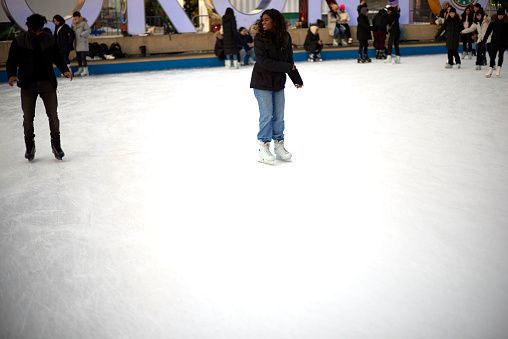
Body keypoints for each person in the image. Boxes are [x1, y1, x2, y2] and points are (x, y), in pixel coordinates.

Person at [6, 14, 72, 161]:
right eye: (35, 30)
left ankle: (56, 145)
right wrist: (11, 75)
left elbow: (58, 56)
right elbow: (11, 61)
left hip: (47, 83)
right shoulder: (19, 41)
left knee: (53, 117)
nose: (38, 33)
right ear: (28, 27)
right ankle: (30, 147)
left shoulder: (49, 38)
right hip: (28, 85)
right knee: (28, 119)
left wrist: (64, 70)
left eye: (40, 30)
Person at [250, 9, 303, 165]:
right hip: (262, 82)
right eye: (262, 19)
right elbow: (264, 62)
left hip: (278, 83)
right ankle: (263, 148)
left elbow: (289, 60)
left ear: (275, 21)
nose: (263, 22)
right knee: (267, 116)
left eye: (266, 19)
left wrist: (296, 78)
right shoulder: (260, 38)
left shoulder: (285, 37)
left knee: (279, 116)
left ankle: (279, 145)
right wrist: (287, 68)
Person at [481, 8, 508, 77]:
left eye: (502, 15)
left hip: (503, 42)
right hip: (494, 41)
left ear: (504, 16)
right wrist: (484, 41)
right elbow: (488, 32)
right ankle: (490, 69)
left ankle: (499, 68)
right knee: (493, 56)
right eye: (499, 15)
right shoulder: (493, 22)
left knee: (500, 55)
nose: (500, 17)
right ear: (497, 15)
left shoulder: (506, 23)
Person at [71, 11, 91, 76]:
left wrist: (82, 34)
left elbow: (88, 30)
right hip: (76, 42)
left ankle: (86, 69)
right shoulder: (73, 24)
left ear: (79, 17)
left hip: (82, 42)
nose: (75, 18)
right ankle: (80, 69)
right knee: (78, 57)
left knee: (83, 56)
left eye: (77, 16)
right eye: (74, 16)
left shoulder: (83, 23)